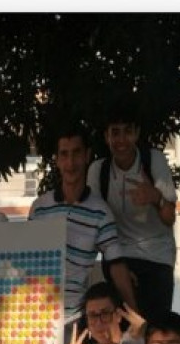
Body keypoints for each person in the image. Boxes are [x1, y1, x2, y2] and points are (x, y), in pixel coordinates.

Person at [87, 99, 178, 321]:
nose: (121, 140)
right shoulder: (98, 171)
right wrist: (117, 267)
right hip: (120, 257)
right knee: (124, 332)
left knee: (156, 330)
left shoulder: (153, 160)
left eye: (127, 131)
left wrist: (156, 197)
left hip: (158, 256)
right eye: (115, 132)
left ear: (137, 134)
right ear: (106, 137)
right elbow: (96, 228)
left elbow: (169, 218)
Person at [28, 124, 126, 326]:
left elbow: (117, 266)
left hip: (75, 319)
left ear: (87, 155)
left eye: (76, 153)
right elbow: (27, 261)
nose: (70, 162)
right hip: (35, 318)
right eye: (64, 154)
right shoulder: (39, 208)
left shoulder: (101, 212)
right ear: (56, 160)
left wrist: (134, 315)